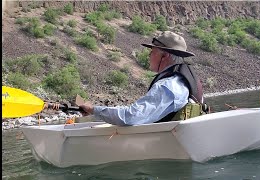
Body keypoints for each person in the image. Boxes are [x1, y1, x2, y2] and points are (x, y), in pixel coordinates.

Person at [80, 31, 208, 126]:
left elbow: (130, 117)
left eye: (152, 51)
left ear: (165, 56)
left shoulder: (168, 86)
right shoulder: (182, 81)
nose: (149, 55)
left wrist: (93, 109)